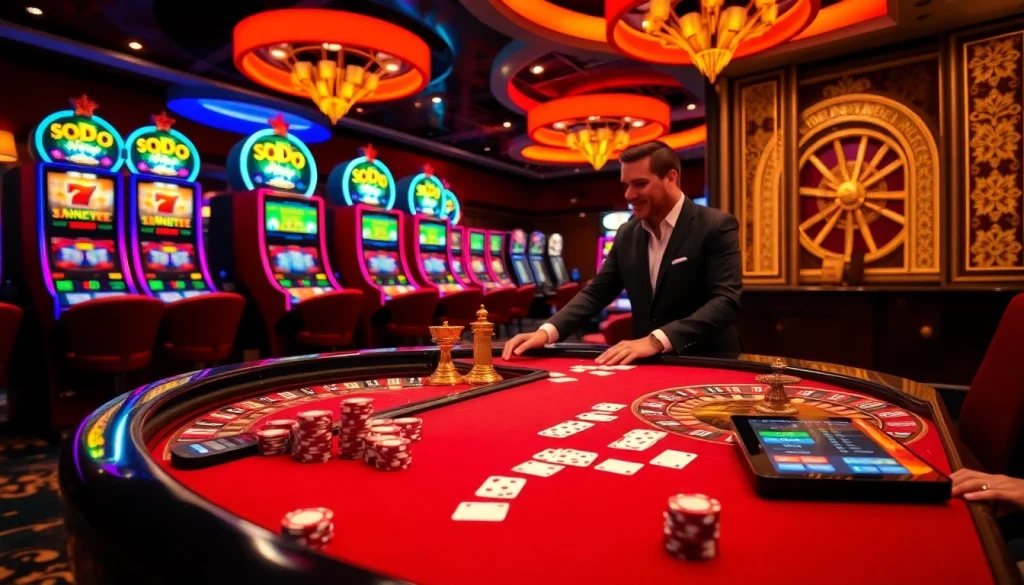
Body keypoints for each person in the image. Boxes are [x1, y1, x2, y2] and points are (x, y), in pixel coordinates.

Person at [502, 140, 742, 365]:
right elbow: (596, 292)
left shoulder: (715, 225)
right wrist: (546, 332)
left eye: (639, 184)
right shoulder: (628, 233)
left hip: (708, 360)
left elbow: (725, 302)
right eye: (626, 185)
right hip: (650, 364)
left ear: (671, 178)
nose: (628, 195)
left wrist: (655, 340)